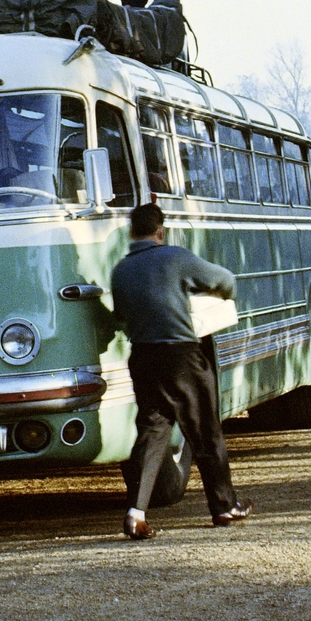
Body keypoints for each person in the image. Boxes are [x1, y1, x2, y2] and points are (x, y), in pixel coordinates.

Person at [110, 202, 252, 539]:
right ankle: (224, 506)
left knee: (153, 431)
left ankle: (136, 512)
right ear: (160, 231)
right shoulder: (175, 257)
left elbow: (120, 316)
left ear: (132, 232)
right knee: (204, 429)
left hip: (143, 358)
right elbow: (225, 280)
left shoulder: (121, 270)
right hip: (181, 356)